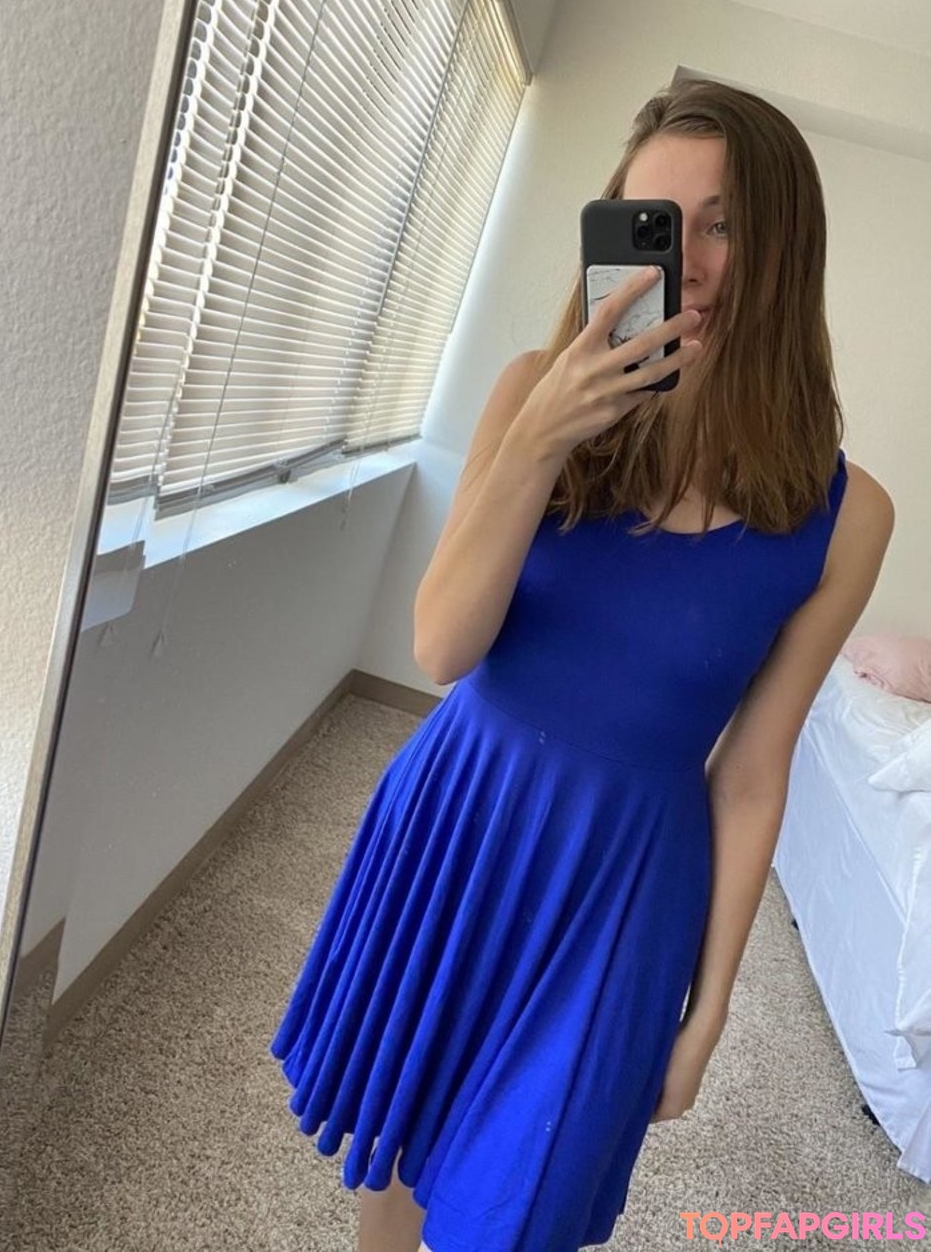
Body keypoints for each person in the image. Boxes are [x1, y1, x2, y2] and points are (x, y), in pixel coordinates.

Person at [268, 77, 895, 1252]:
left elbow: (751, 772)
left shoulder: (847, 515)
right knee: (403, 1135)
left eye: (723, 224)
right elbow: (443, 646)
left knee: (524, 1203)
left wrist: (710, 1008)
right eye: (654, 223)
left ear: (785, 248)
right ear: (612, 237)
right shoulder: (528, 394)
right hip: (458, 819)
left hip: (622, 886)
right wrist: (540, 440)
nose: (687, 263)